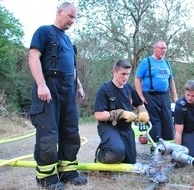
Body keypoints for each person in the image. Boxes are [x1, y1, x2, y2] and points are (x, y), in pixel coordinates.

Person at [28, 2, 87, 189]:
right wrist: (41, 84)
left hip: (68, 90)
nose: (73, 21)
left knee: (70, 131)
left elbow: (73, 67)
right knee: (48, 133)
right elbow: (33, 57)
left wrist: (79, 86)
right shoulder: (44, 32)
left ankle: (67, 171)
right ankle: (46, 178)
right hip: (48, 89)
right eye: (70, 16)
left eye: (75, 18)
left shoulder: (69, 42)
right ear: (59, 12)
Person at [94, 59, 150, 164]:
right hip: (110, 127)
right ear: (114, 72)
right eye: (123, 74)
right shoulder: (104, 90)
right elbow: (98, 115)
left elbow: (139, 103)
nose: (125, 77)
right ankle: (101, 156)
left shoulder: (129, 88)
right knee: (117, 153)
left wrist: (143, 111)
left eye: (128, 74)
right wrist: (121, 113)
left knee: (130, 161)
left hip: (126, 128)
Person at [135, 40, 178, 150]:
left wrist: (175, 97)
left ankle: (168, 147)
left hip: (164, 96)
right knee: (155, 122)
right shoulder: (147, 62)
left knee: (167, 120)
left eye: (165, 48)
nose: (163, 50)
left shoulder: (167, 63)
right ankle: (154, 148)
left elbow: (171, 81)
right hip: (150, 95)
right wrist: (140, 96)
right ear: (154, 48)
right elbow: (137, 79)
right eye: (161, 48)